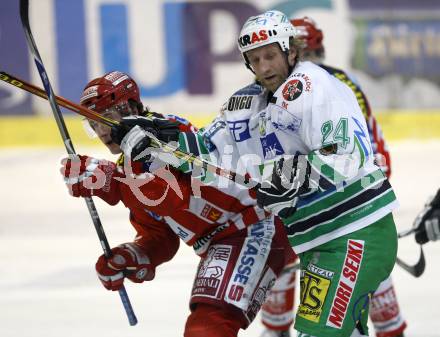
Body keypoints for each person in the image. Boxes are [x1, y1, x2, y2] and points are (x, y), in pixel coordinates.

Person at [112, 10, 400, 337]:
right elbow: (210, 152)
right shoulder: (247, 103)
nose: (264, 67)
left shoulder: (313, 85)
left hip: (356, 232)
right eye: (255, 59)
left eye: (270, 56)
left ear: (291, 51)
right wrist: (156, 139)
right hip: (317, 242)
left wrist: (288, 176)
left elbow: (348, 155)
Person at [60, 70, 295, 337]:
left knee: (209, 326)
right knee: (206, 324)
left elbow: (172, 198)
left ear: (131, 107)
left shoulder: (166, 132)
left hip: (256, 224)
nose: (101, 130)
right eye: (93, 124)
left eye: (106, 117)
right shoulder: (127, 164)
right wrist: (131, 255)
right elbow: (160, 234)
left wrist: (114, 183)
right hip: (226, 239)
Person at [259, 17, 407, 337]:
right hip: (310, 215)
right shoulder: (270, 93)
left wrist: (362, 203)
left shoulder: (330, 84)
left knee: (367, 303)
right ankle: (275, 328)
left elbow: (364, 148)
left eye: (310, 52)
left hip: (351, 214)